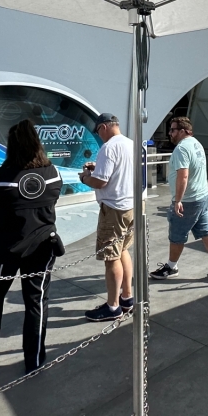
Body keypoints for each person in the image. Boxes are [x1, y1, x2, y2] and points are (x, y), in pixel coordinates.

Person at [0, 120, 64, 375]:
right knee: (37, 302)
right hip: (42, 245)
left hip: (2, 249)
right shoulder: (54, 174)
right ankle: (35, 360)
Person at [150, 117, 208, 279]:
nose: (170, 133)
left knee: (177, 235)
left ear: (183, 131)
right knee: (206, 230)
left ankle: (171, 267)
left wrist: (178, 200)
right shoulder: (196, 143)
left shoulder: (181, 149)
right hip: (202, 195)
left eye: (173, 130)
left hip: (189, 200)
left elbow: (183, 176)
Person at [78, 113, 135, 322]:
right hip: (132, 205)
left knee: (111, 256)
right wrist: (97, 168)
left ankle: (113, 307)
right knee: (123, 251)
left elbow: (100, 182)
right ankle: (127, 297)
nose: (99, 136)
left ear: (103, 127)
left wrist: (85, 177)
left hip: (114, 208)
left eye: (98, 131)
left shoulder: (108, 147)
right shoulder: (132, 144)